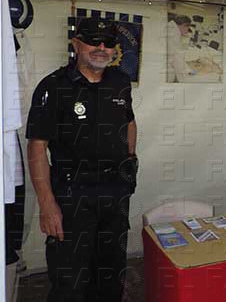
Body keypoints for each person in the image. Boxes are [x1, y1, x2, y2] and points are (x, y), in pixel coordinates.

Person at [26, 18, 138, 302]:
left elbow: (129, 122)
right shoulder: (53, 86)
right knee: (70, 283)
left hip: (114, 194)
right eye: (93, 41)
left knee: (110, 276)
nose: (101, 48)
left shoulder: (120, 82)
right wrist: (47, 204)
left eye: (108, 43)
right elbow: (37, 146)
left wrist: (130, 159)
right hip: (71, 196)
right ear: (76, 44)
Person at [166, 14, 196, 81]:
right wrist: (192, 72)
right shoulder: (174, 34)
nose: (187, 31)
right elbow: (177, 61)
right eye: (187, 28)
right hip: (168, 71)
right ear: (184, 25)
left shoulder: (171, 28)